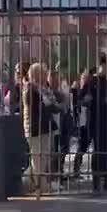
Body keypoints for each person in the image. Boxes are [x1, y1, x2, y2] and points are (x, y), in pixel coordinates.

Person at [82, 55, 107, 192]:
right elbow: (82, 98)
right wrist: (87, 99)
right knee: (98, 151)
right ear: (102, 66)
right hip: (96, 120)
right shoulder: (92, 81)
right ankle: (96, 181)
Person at [22, 63, 60, 194]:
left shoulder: (43, 89)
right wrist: (47, 105)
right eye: (43, 74)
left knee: (42, 158)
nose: (46, 77)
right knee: (38, 158)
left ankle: (28, 184)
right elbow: (35, 110)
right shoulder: (30, 89)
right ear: (36, 75)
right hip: (34, 129)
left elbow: (52, 107)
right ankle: (41, 186)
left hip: (44, 127)